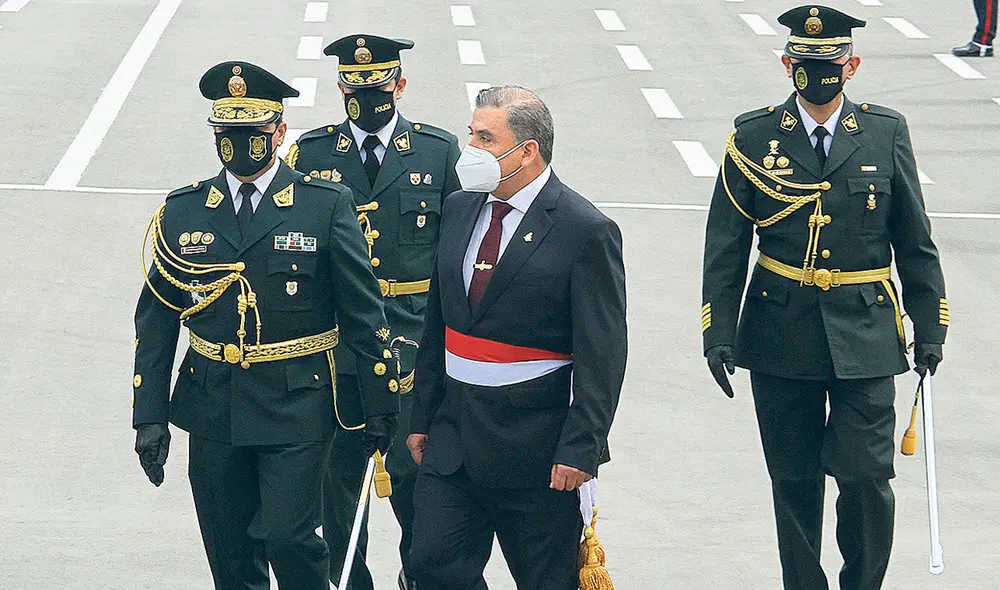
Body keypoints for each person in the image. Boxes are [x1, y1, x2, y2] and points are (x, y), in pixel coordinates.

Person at [702, 6, 948, 589]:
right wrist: (719, 332)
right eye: (806, 64)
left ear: (852, 65)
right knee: (793, 482)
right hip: (779, 328)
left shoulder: (885, 132)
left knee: (866, 478)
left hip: (865, 332)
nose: (819, 75)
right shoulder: (753, 136)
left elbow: (915, 241)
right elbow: (726, 244)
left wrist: (930, 324)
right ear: (788, 64)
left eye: (831, 63)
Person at [131, 61, 400, 590]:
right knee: (229, 551)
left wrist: (380, 403)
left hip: (297, 403)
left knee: (289, 537)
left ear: (278, 132)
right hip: (212, 405)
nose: (238, 147)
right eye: (227, 136)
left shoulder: (323, 206)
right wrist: (149, 415)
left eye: (251, 135)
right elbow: (156, 321)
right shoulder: (183, 211)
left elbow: (363, 313)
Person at [406, 86, 628, 590]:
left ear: (527, 150)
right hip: (454, 438)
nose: (471, 149)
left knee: (546, 580)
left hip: (536, 451)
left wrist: (582, 447)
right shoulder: (461, 210)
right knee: (433, 566)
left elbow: (603, 352)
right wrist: (422, 416)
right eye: (471, 134)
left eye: (486, 138)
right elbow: (437, 325)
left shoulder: (584, 229)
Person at [285, 34, 461, 590]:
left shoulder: (437, 151)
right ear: (340, 88)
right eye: (354, 88)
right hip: (337, 340)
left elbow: (456, 250)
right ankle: (347, 580)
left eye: (379, 88)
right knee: (337, 479)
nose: (366, 99)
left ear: (400, 86)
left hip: (413, 332)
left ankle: (421, 575)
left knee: (414, 474)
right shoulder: (310, 155)